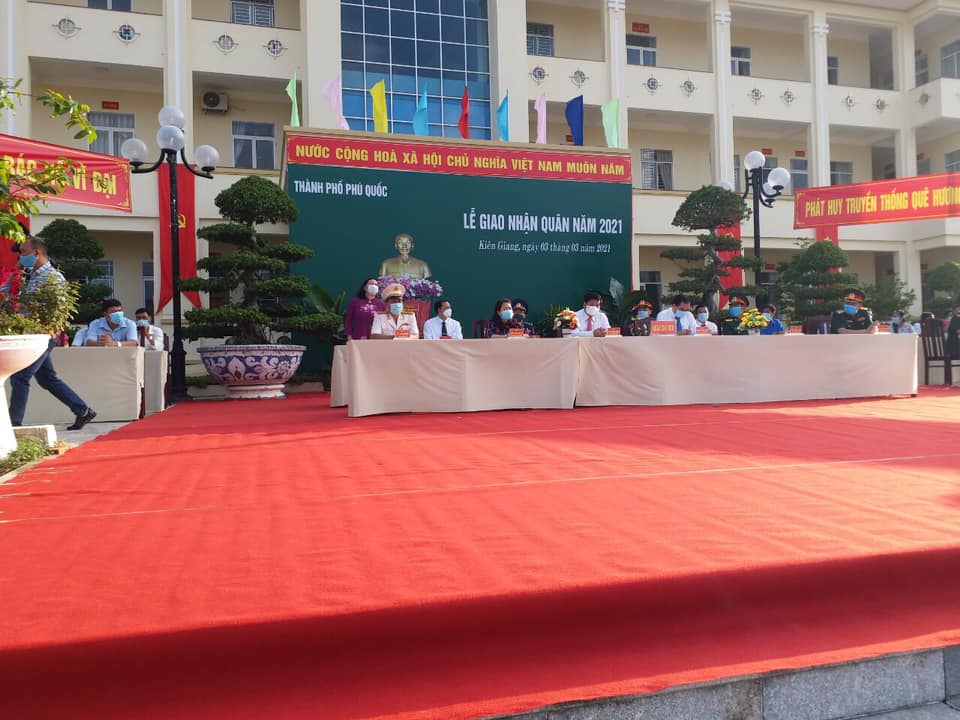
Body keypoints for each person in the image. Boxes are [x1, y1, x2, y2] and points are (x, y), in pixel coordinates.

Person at [8, 235, 96, 430]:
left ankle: (14, 424)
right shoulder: (33, 276)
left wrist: (25, 310)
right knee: (47, 379)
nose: (20, 256)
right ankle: (82, 410)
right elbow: (17, 300)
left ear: (36, 252)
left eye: (23, 252)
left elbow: (58, 309)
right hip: (33, 334)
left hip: (43, 335)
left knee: (20, 377)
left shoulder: (53, 277)